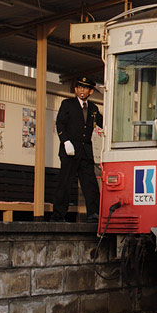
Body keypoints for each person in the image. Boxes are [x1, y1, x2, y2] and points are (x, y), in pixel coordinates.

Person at [51, 77, 103, 223]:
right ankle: (58, 215)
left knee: (90, 182)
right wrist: (66, 141)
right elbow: (60, 123)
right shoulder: (67, 104)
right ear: (75, 89)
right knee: (65, 182)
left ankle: (93, 213)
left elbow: (100, 123)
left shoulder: (93, 108)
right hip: (70, 149)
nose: (81, 90)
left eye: (85, 88)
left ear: (91, 91)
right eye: (79, 87)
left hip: (85, 150)